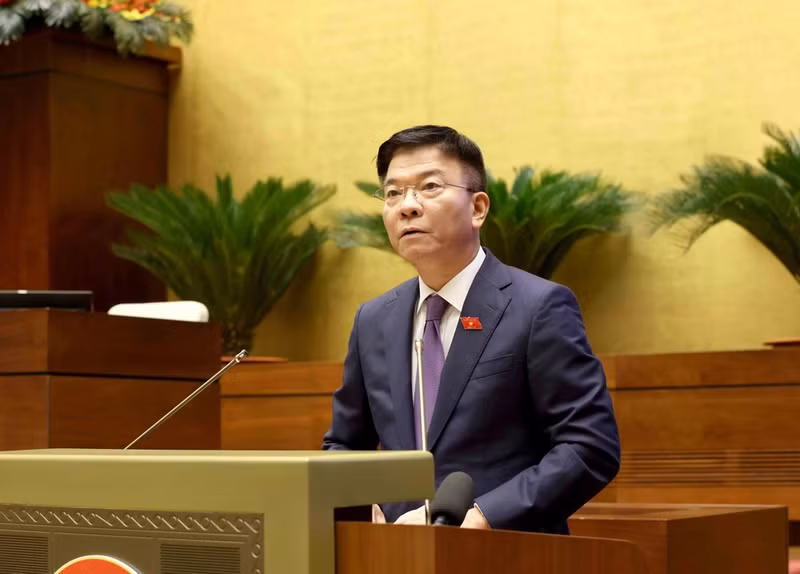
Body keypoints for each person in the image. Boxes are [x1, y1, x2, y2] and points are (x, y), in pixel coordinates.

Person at [322, 125, 620, 533]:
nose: (407, 205)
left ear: (478, 208)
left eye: (429, 187)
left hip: (505, 553)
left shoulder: (538, 307)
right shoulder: (374, 319)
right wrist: (359, 501)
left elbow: (589, 448)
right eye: (393, 193)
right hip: (392, 553)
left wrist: (482, 516)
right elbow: (343, 445)